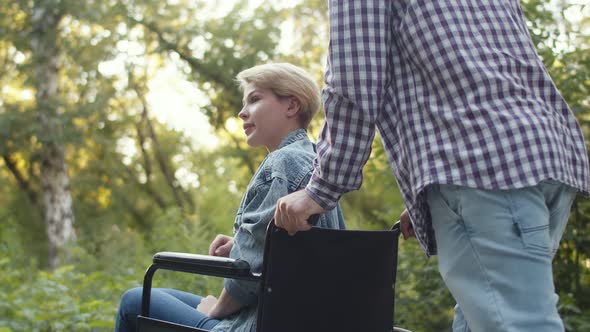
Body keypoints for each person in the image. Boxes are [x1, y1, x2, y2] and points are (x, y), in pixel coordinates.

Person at [273, 1, 589, 331]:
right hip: (541, 152)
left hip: (479, 163)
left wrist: (321, 189)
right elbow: (487, 56)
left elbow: (355, 78)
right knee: (484, 317)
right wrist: (438, 192)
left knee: (516, 323)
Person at [114, 63, 346, 332]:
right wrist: (240, 244)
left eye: (255, 99)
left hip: (261, 323)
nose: (241, 112)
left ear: (291, 106)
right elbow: (294, 251)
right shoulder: (321, 170)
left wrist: (216, 310)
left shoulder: (282, 164)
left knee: (133, 301)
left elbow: (245, 280)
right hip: (307, 318)